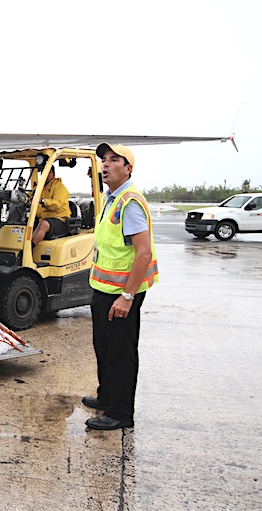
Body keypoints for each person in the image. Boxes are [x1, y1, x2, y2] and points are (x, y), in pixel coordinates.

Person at [83, 143, 159, 431]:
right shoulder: (112, 199)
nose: (105, 164)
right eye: (104, 159)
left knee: (120, 354)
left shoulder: (130, 202)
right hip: (103, 290)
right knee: (103, 348)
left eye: (115, 160)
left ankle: (120, 413)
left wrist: (127, 296)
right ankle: (107, 396)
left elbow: (143, 253)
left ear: (128, 168)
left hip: (121, 294)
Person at [31, 165, 71, 245]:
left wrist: (42, 201)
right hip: (42, 217)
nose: (45, 175)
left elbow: (57, 204)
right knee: (21, 224)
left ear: (53, 174)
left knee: (44, 224)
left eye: (48, 173)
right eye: (43, 173)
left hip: (59, 219)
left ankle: (28, 249)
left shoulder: (59, 187)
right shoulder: (39, 188)